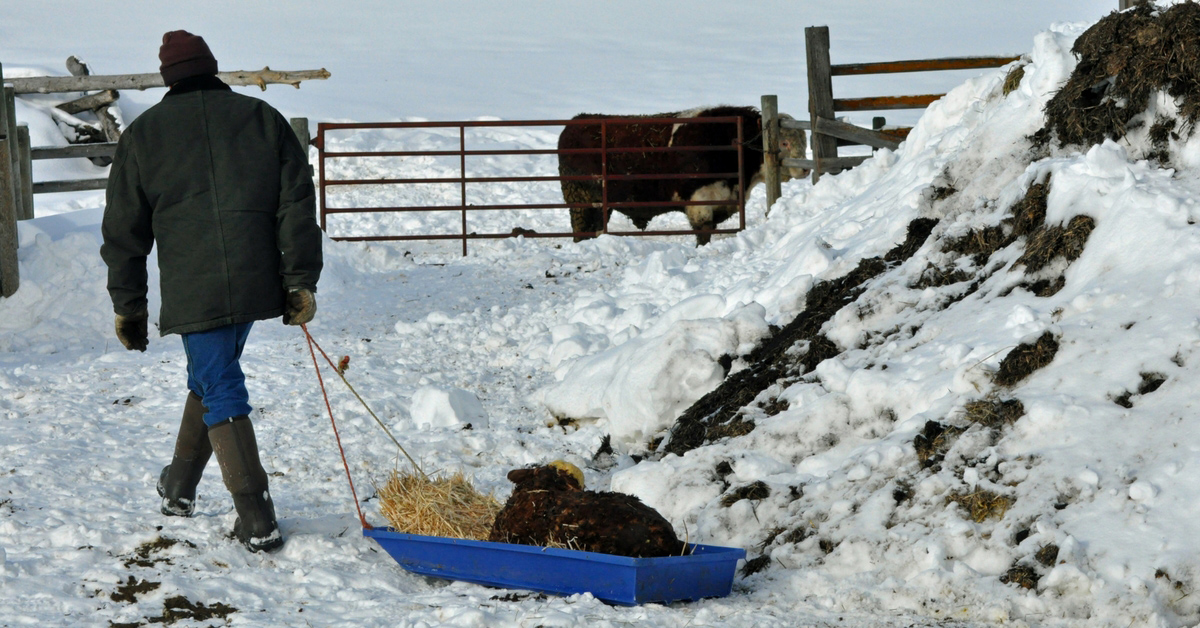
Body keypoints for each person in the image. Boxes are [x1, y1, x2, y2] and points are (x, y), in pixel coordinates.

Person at [100, 30, 323, 553]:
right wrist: (299, 279)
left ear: (168, 78)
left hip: (193, 286)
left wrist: (128, 306)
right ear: (212, 67)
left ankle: (256, 515)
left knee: (219, 384)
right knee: (210, 376)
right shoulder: (261, 118)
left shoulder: (145, 134)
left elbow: (123, 232)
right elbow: (296, 203)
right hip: (253, 280)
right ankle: (178, 486)